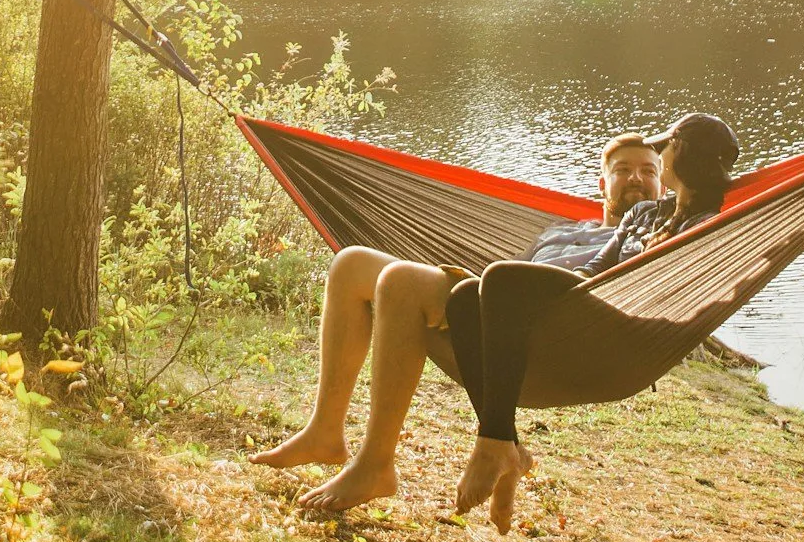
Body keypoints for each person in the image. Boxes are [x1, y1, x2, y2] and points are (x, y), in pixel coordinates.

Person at [248, 134, 666, 515]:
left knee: (401, 283)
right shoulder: (559, 231)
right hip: (493, 313)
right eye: (623, 169)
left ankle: (375, 466)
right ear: (601, 184)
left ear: (663, 188)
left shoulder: (649, 236)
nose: (636, 177)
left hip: (559, 338)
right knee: (350, 264)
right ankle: (325, 431)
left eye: (649, 171)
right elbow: (509, 275)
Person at [445, 112, 740, 527]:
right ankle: (506, 445)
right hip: (592, 301)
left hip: (625, 328)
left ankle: (492, 445)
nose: (660, 155)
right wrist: (552, 292)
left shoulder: (707, 225)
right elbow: (599, 267)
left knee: (498, 277)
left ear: (684, 157)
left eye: (667, 147)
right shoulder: (645, 214)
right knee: (462, 298)